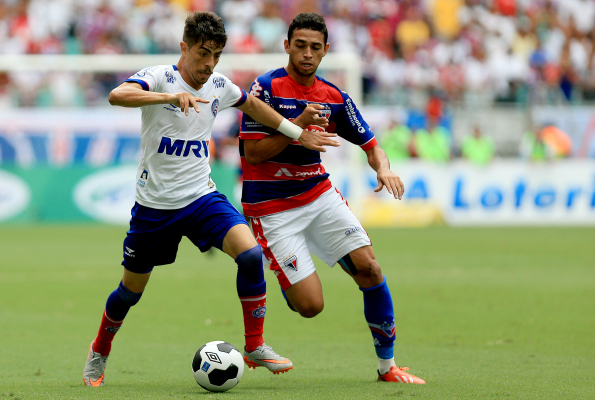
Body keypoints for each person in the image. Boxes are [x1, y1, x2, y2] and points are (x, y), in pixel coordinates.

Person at [82, 11, 339, 387]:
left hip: (202, 198)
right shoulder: (159, 77)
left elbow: (253, 107)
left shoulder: (218, 84)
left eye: (216, 55)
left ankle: (255, 346)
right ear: (184, 47)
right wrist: (171, 96)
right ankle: (99, 351)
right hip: (155, 208)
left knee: (251, 255)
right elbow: (117, 95)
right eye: (203, 53)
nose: (209, 63)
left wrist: (296, 132)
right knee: (129, 293)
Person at [239, 13, 425, 384]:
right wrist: (298, 130)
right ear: (287, 45)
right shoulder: (266, 89)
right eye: (300, 45)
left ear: (326, 51)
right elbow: (253, 155)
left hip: (319, 195)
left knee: (370, 268)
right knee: (310, 307)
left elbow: (371, 144)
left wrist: (382, 167)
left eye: (315, 47)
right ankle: (289, 276)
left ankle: (387, 367)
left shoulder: (334, 97)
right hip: (271, 208)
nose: (307, 53)